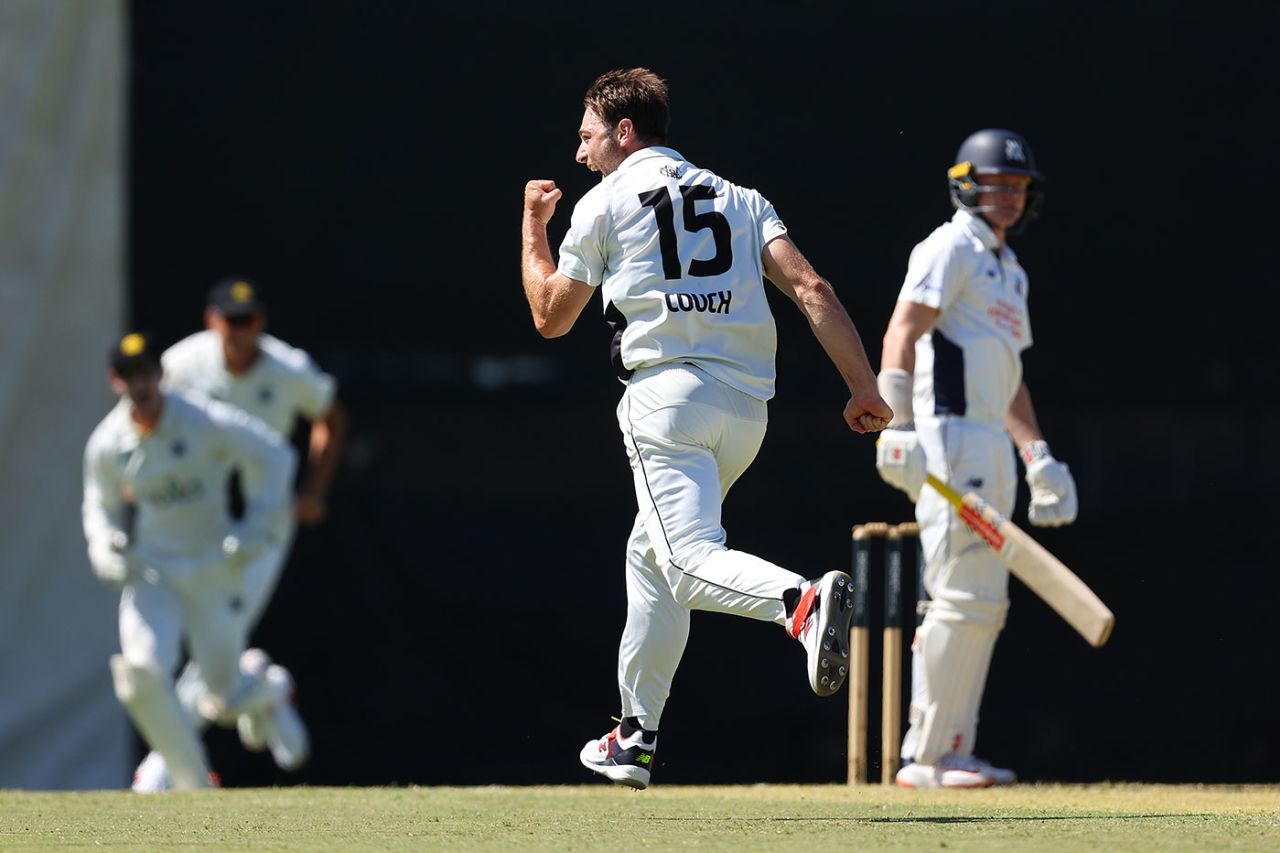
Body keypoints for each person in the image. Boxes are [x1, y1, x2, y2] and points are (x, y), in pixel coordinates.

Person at [520, 68, 893, 789]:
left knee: (686, 557)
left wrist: (533, 226)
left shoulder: (604, 202)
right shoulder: (741, 196)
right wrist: (861, 384)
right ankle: (634, 734)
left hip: (667, 400)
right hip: (746, 414)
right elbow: (812, 288)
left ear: (625, 133)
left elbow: (549, 314)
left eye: (587, 135)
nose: (579, 152)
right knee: (651, 559)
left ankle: (801, 602)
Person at [874, 128, 1078, 788]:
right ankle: (924, 755)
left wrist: (1038, 455)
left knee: (985, 602)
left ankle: (953, 749)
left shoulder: (1008, 268)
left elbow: (1009, 372)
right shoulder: (950, 245)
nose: (1010, 196)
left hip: (993, 444)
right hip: (949, 437)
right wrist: (898, 425)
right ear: (967, 182)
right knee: (958, 593)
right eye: (998, 183)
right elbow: (903, 330)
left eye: (1019, 186)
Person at [127, 278, 346, 790]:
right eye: (232, 321)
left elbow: (329, 415)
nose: (241, 333)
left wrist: (314, 489)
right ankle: (263, 689)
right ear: (212, 322)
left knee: (216, 641)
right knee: (208, 651)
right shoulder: (182, 366)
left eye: (250, 321)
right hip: (199, 524)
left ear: (260, 324)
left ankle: (164, 768)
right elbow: (148, 423)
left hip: (263, 525)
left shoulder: (287, 367)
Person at [82, 331, 299, 790]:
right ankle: (190, 779)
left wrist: (256, 529)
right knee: (142, 672)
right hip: (153, 571)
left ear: (160, 374)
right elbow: (97, 505)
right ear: (114, 381)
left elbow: (276, 456)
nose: (140, 384)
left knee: (220, 694)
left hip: (210, 570)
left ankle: (265, 690)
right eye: (129, 375)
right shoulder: (108, 443)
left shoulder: (203, 421)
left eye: (146, 373)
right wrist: (104, 548)